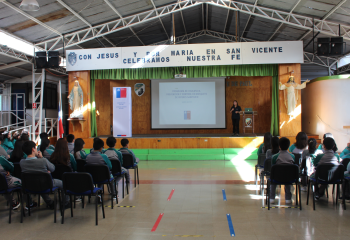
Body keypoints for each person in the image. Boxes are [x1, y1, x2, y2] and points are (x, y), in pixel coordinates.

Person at [20, 141, 70, 209]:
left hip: (29, 185)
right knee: (62, 183)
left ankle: (50, 202)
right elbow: (53, 169)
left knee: (39, 183)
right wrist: (42, 157)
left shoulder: (22, 162)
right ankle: (66, 202)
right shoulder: (43, 160)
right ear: (33, 149)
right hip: (45, 183)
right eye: (36, 147)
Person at [270, 137, 295, 204]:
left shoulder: (275, 156)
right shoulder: (292, 156)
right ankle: (288, 198)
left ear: (279, 146)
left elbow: (272, 168)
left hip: (277, 178)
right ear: (288, 146)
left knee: (273, 179)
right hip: (289, 178)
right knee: (288, 177)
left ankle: (272, 198)